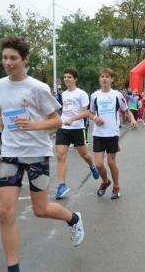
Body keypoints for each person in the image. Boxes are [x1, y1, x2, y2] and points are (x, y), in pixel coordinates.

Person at [0, 36, 84, 272]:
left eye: (13, 58)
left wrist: (33, 125)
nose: (8, 62)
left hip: (37, 154)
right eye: (5, 58)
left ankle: (74, 219)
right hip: (10, 154)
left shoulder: (38, 88)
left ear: (24, 60)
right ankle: (13, 268)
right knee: (4, 212)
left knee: (41, 210)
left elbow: (56, 121)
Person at [90, 68, 137, 199]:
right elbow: (90, 112)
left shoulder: (117, 95)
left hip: (112, 133)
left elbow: (126, 110)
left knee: (111, 163)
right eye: (102, 76)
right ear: (100, 79)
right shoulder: (94, 95)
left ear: (112, 79)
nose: (104, 78)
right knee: (99, 164)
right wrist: (94, 118)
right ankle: (105, 182)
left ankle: (116, 186)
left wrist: (132, 119)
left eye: (107, 76)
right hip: (98, 133)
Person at [55, 68, 99, 200]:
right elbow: (63, 110)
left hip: (77, 128)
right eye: (65, 77)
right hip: (63, 127)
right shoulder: (63, 95)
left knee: (84, 154)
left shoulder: (82, 94)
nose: (66, 79)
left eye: (69, 77)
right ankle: (62, 185)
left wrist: (72, 120)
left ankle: (92, 165)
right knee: (60, 155)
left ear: (75, 79)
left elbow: (86, 113)